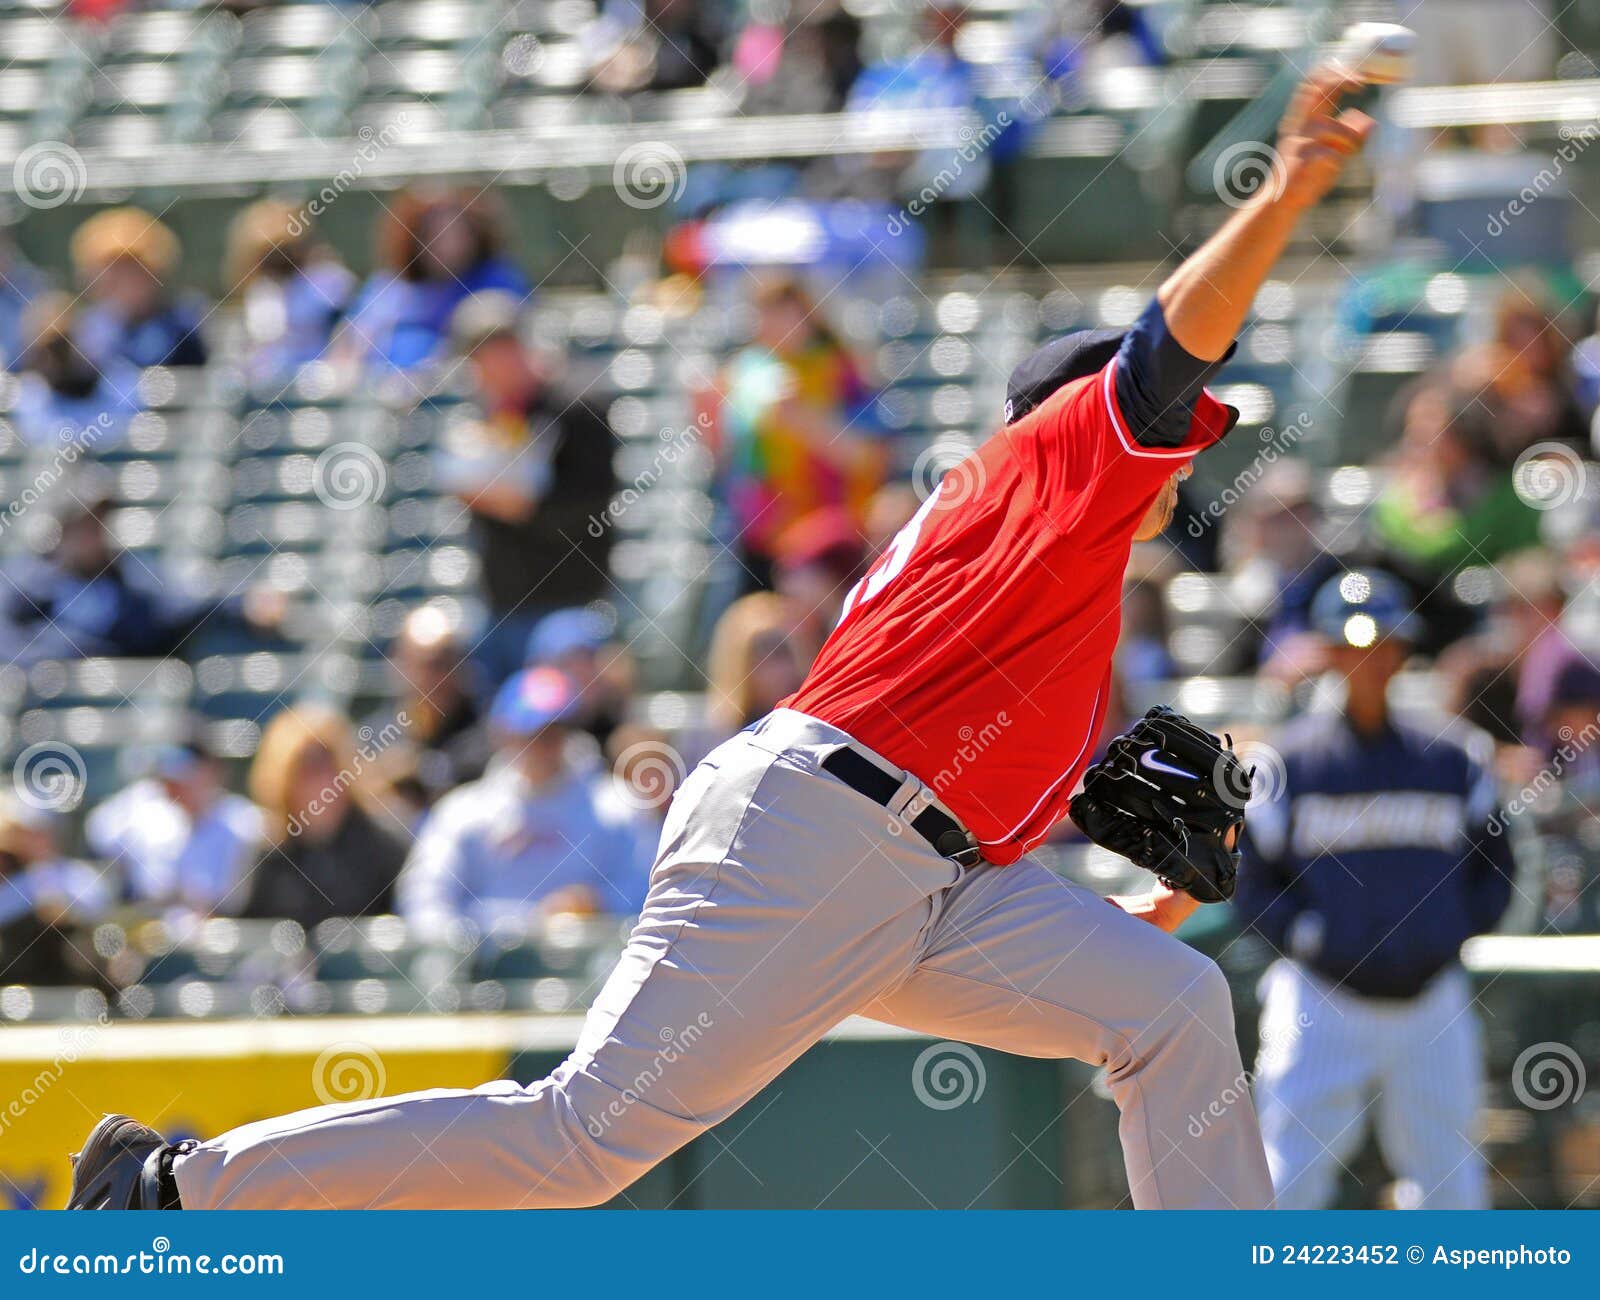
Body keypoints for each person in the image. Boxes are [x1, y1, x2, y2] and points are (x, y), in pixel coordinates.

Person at [68, 68, 1373, 1212]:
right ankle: (177, 1185)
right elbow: (1160, 356)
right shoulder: (1052, 467)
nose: (1185, 452)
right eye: (1174, 431)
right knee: (579, 1142)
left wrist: (1129, 922)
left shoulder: (1038, 575)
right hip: (819, 835)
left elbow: (984, 846)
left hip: (906, 865)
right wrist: (1287, 192)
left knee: (1167, 1004)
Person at [1234, 570, 1515, 1210]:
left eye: (1384, 645)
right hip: (1321, 998)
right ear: (1329, 654)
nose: (1369, 660)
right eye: (1353, 646)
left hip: (1431, 998)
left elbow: (1497, 866)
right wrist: (1305, 936)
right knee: (1284, 1181)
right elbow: (1252, 878)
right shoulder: (1287, 763)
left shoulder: (1454, 756)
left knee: (1452, 1187)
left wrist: (1450, 931)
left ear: (1402, 651)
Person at [435, 292, 618, 686]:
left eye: (493, 355)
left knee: (556, 712)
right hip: (500, 606)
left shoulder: (577, 406)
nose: (484, 372)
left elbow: (592, 507)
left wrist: (518, 505)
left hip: (568, 606)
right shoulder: (491, 412)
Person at [396, 668, 649, 938]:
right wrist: (463, 945)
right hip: (482, 961)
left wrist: (600, 905)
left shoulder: (619, 808)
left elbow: (645, 891)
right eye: (532, 733)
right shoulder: (462, 813)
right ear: (504, 734)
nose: (543, 745)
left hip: (591, 960)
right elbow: (424, 897)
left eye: (554, 731)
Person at [712, 276, 887, 589]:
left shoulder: (842, 371)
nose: (772, 325)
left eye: (783, 313)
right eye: (764, 314)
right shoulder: (744, 374)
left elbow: (869, 458)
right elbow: (729, 459)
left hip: (832, 537)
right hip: (764, 536)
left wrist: (804, 420)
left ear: (808, 316)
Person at [0, 474, 283, 666]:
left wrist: (239, 603)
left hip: (127, 707)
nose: (94, 533)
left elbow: (179, 608)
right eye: (84, 525)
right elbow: (8, 643)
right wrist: (71, 654)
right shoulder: (27, 582)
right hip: (49, 708)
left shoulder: (127, 576)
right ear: (62, 530)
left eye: (99, 522)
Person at [236, 705, 410, 930]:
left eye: (328, 762)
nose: (322, 780)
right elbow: (249, 930)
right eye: (307, 767)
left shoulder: (383, 846)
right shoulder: (270, 854)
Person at [338, 187, 530, 374]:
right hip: (386, 386)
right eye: (433, 234)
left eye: (456, 233)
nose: (447, 245)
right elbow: (350, 343)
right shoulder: (389, 286)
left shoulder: (497, 281)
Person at [85, 736, 263, 920]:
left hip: (224, 931)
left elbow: (233, 904)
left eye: (185, 778)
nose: (173, 788)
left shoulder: (245, 822)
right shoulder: (148, 814)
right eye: (169, 781)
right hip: (154, 929)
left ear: (212, 772)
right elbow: (99, 829)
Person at [361, 604, 490, 818]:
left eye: (445, 662)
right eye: (425, 664)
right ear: (400, 664)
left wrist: (413, 772)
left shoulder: (484, 732)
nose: (435, 677)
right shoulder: (376, 735)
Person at [223, 198, 357, 388]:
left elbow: (346, 347)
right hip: (268, 390)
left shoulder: (327, 286)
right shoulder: (259, 294)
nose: (275, 261)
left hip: (319, 386)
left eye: (283, 251)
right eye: (265, 255)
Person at [69, 207, 208, 369]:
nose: (113, 280)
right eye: (106, 270)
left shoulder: (183, 324)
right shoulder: (89, 328)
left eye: (127, 270)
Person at [0, 799, 113, 987]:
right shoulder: (13, 880)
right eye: (28, 834)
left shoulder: (79, 874)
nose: (33, 840)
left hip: (74, 973)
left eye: (39, 833)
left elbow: (99, 913)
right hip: (20, 977)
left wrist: (63, 912)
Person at [12, 292, 142, 451]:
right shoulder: (31, 395)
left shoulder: (119, 382)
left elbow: (121, 430)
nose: (57, 357)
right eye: (51, 349)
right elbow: (42, 438)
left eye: (66, 343)